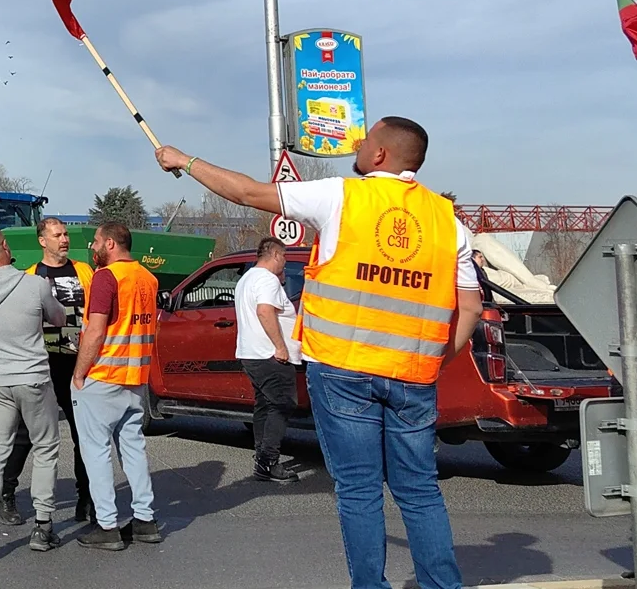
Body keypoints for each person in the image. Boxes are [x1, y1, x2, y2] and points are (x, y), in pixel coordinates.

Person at [157, 117, 478, 589]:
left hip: (344, 372)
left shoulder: (342, 197)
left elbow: (248, 193)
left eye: (366, 140)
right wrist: (433, 358)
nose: (359, 143)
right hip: (413, 375)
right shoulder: (448, 223)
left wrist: (184, 161)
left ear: (381, 155)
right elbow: (469, 306)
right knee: (419, 490)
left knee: (359, 491)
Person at [0, 225, 66, 557]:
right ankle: (43, 526)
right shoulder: (34, 284)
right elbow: (59, 317)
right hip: (34, 379)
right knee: (45, 448)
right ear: (6, 247)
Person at [71, 221, 163, 551]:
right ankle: (144, 520)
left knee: (95, 452)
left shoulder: (105, 278)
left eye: (96, 241)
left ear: (110, 244)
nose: (92, 248)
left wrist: (79, 373)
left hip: (103, 376)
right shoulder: (147, 278)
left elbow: (96, 331)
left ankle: (107, 525)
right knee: (133, 448)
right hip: (135, 377)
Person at [4, 215, 95, 523]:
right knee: (27, 433)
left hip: (77, 363)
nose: (64, 239)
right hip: (40, 365)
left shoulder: (84, 272)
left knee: (84, 433)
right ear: (43, 241)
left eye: (66, 234)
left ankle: (86, 498)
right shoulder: (31, 276)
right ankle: (6, 493)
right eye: (57, 235)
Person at [234, 237, 302, 482]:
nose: (285, 262)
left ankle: (262, 458)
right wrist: (280, 347)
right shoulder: (267, 279)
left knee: (265, 404)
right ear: (275, 255)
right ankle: (269, 462)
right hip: (269, 354)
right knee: (282, 404)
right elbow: (265, 311)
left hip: (252, 353)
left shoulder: (247, 279)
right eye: (284, 257)